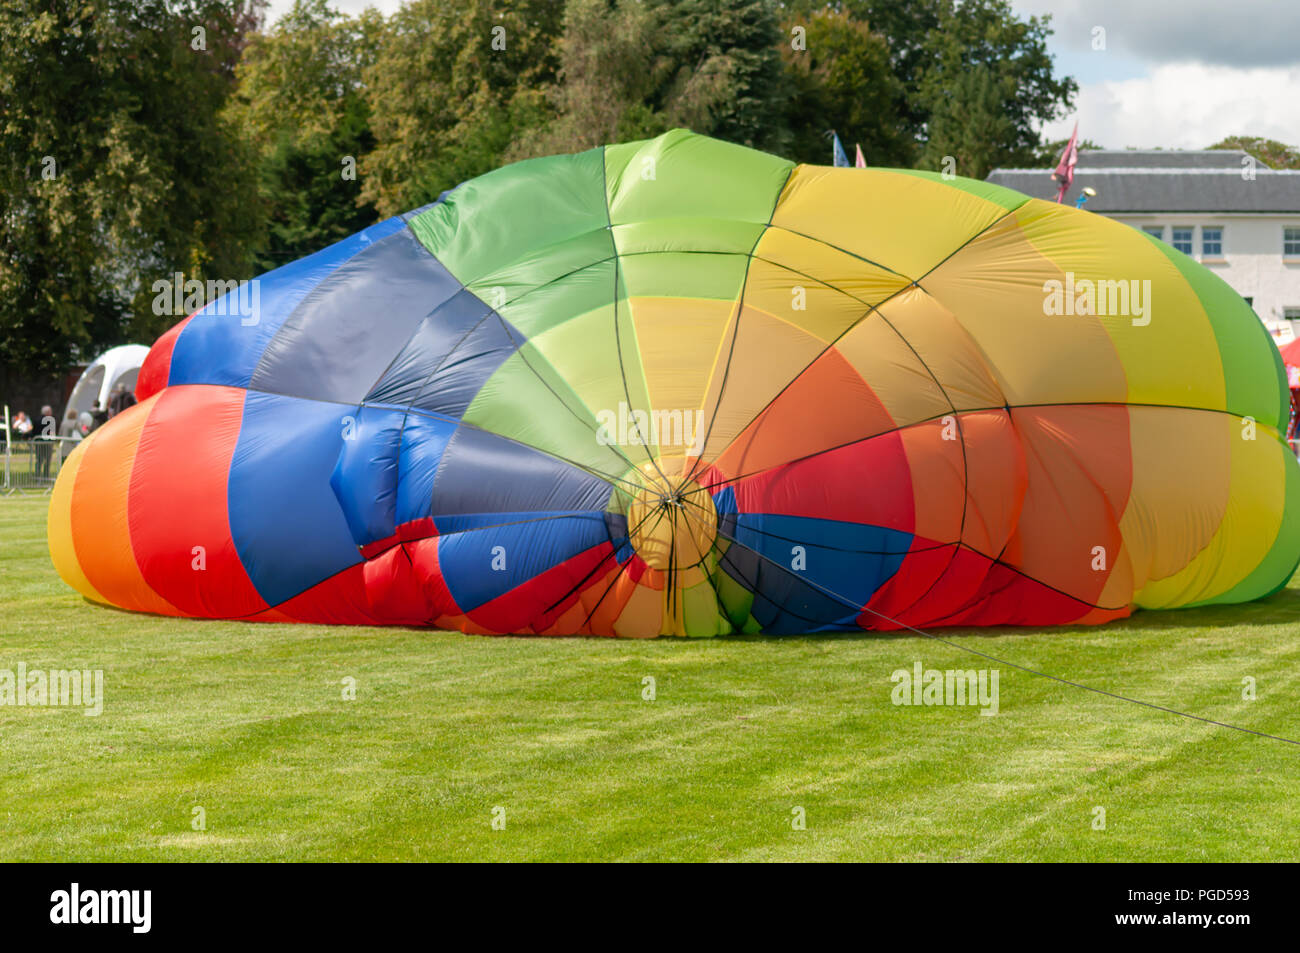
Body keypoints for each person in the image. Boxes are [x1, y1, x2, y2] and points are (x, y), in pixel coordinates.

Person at [34, 404, 55, 479]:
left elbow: (34, 431)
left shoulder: (36, 419)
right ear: (48, 412)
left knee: (39, 459)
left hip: (38, 442)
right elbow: (51, 432)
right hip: (47, 443)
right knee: (47, 460)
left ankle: (37, 474)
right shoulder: (50, 420)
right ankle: (46, 475)